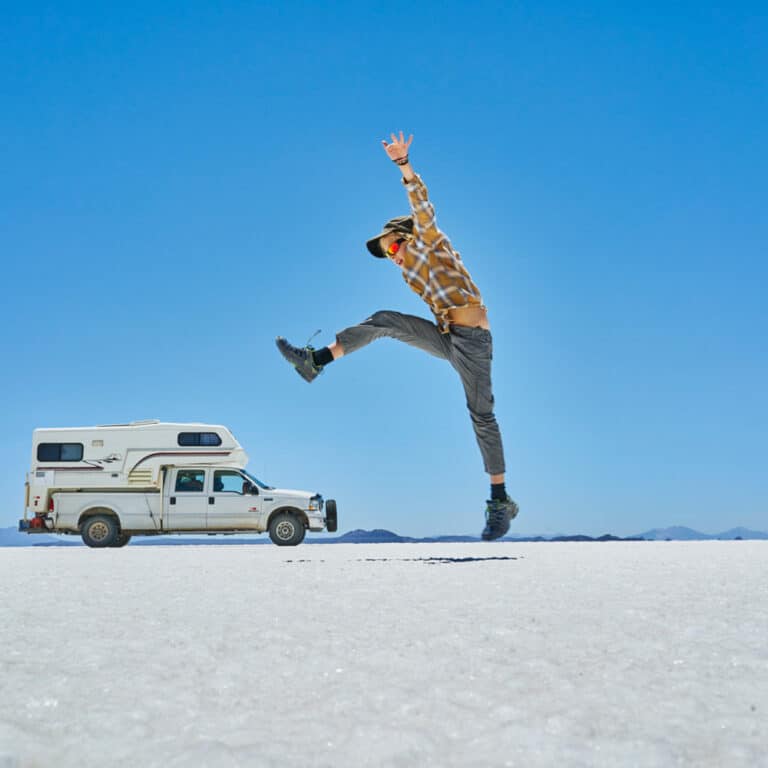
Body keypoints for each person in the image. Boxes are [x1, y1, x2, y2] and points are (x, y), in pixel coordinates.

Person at [276, 132, 518, 541]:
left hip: (474, 341)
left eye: (390, 249)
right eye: (386, 254)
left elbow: (422, 206)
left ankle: (500, 500)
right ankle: (315, 361)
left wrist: (402, 165)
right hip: (447, 337)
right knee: (385, 319)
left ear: (404, 238)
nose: (391, 258)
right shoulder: (409, 274)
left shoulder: (428, 240)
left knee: (481, 415)